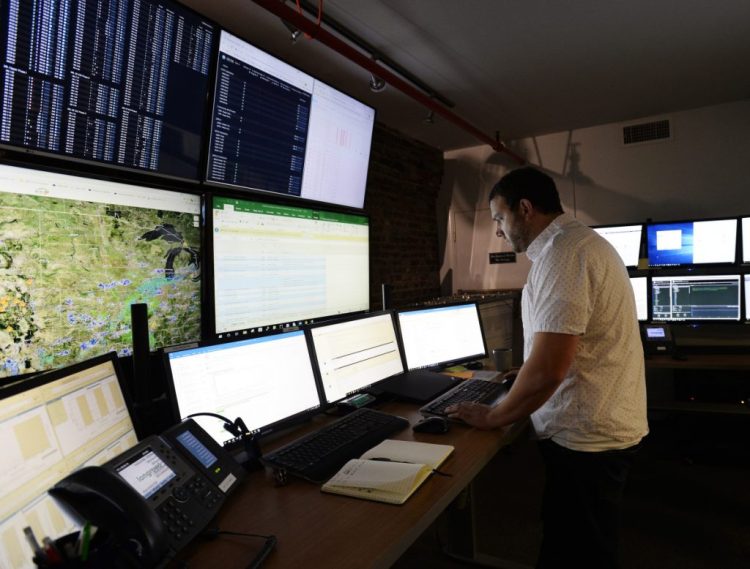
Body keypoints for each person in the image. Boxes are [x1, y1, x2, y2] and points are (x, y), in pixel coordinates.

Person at [447, 166, 648, 569]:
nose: (499, 232)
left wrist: (493, 416)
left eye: (500, 219)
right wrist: (525, 370)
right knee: (576, 537)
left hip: (587, 435)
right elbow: (561, 346)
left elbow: (551, 371)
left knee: (580, 550)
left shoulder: (563, 254)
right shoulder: (578, 244)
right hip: (598, 426)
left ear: (524, 209)